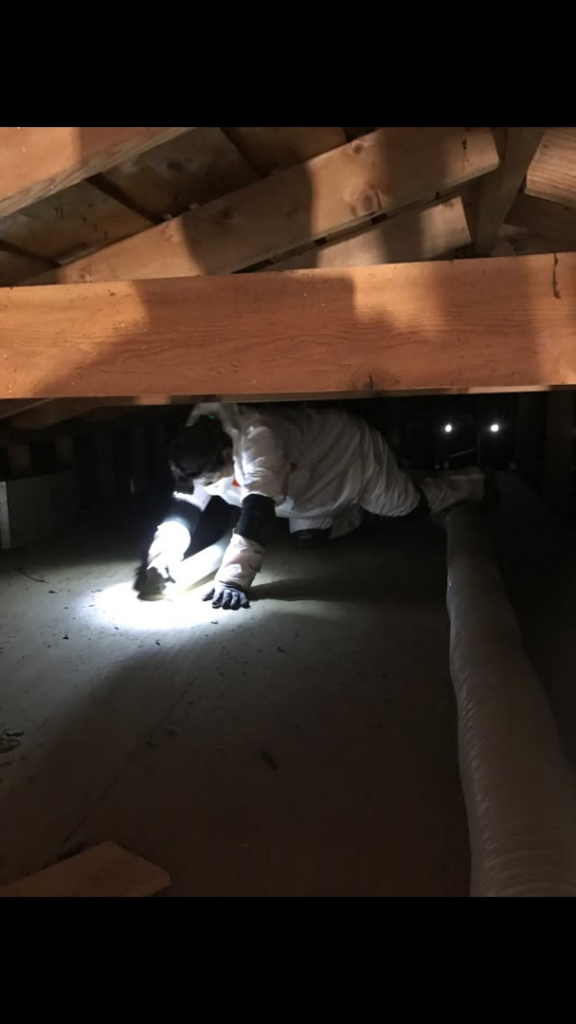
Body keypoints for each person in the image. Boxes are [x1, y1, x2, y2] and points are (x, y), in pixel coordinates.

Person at [140, 402, 484, 610]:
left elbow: (257, 513)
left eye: (211, 478)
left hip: (349, 454)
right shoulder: (195, 447)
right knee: (309, 538)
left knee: (405, 507)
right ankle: (354, 512)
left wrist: (232, 580)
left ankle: (470, 482)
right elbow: (185, 507)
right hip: (306, 490)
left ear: (228, 453)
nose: (207, 487)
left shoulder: (259, 439)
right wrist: (160, 562)